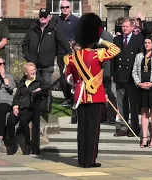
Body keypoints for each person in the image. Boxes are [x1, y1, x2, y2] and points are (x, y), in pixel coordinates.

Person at [64, 13, 120, 168]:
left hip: (80, 96)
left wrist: (77, 84)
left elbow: (68, 78)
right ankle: (90, 160)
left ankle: (82, 160)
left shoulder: (71, 57)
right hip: (95, 95)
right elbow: (116, 49)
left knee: (81, 129)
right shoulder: (97, 54)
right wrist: (100, 39)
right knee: (93, 130)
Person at [5, 62, 51, 155]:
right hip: (20, 106)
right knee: (10, 120)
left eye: (34, 69)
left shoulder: (38, 80)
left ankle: (27, 143)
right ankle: (11, 143)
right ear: (26, 73)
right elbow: (17, 96)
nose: (33, 72)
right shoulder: (22, 82)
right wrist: (15, 106)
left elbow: (47, 86)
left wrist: (40, 89)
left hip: (30, 107)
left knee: (23, 121)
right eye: (31, 70)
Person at [112, 18, 144, 137]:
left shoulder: (138, 39)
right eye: (123, 26)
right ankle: (124, 126)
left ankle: (134, 127)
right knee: (121, 103)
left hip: (132, 77)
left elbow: (140, 58)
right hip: (120, 75)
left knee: (133, 104)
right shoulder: (117, 39)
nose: (124, 28)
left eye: (126, 26)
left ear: (132, 27)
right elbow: (113, 58)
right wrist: (112, 74)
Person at [22, 8, 71, 84]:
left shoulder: (54, 28)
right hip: (33, 65)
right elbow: (25, 44)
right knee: (33, 86)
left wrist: (70, 53)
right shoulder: (32, 28)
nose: (42, 18)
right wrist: (27, 56)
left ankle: (47, 96)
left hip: (47, 65)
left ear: (49, 17)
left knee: (45, 86)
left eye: (45, 16)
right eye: (41, 16)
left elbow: (63, 42)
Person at [55, 0, 79, 105]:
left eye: (67, 7)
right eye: (62, 7)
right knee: (63, 77)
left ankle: (74, 98)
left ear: (70, 8)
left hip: (73, 52)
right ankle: (67, 98)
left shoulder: (76, 21)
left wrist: (74, 43)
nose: (64, 9)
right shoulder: (56, 21)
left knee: (73, 76)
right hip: (61, 52)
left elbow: (81, 35)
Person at [0, 57, 16, 154]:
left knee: (0, 109)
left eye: (3, 63)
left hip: (6, 102)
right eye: (0, 64)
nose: (2, 65)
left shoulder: (9, 76)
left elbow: (11, 87)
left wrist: (3, 76)